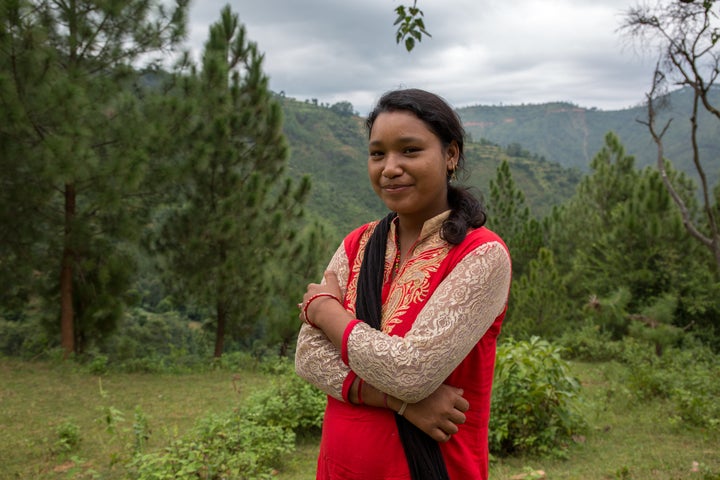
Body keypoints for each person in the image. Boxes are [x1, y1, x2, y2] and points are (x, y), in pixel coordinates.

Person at [294, 88, 511, 480]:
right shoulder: (356, 244)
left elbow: (414, 371)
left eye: (409, 150)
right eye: (378, 154)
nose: (389, 167)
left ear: (450, 155)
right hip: (339, 465)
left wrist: (326, 311)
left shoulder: (481, 255)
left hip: (428, 468)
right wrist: (404, 404)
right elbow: (308, 356)